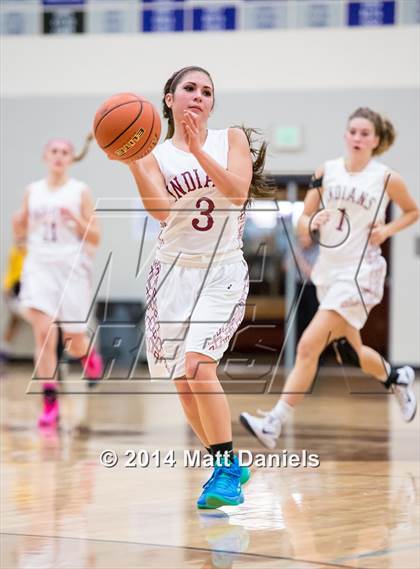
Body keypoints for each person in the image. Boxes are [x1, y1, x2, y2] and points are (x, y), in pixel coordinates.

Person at [123, 66, 267, 508]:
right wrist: (132, 162)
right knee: (183, 384)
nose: (199, 96)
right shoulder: (155, 152)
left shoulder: (231, 140)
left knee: (199, 366)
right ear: (169, 99)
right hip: (171, 272)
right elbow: (162, 212)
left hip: (221, 270)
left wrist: (203, 152)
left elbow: (238, 192)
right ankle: (228, 463)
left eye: (207, 91)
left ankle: (224, 469)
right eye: (190, 88)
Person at [240, 107, 419, 449]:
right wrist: (313, 221)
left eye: (365, 133)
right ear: (345, 134)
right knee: (351, 354)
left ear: (376, 141)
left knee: (308, 345)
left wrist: (389, 229)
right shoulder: (327, 171)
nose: (357, 138)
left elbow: (413, 211)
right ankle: (397, 377)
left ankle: (273, 422)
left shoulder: (386, 177)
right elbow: (301, 221)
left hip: (361, 273)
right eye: (353, 131)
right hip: (329, 271)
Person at [13, 134, 103, 428]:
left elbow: (95, 236)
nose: (59, 155)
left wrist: (75, 219)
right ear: (45, 156)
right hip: (39, 266)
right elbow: (21, 228)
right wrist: (19, 231)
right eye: (54, 150)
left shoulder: (80, 192)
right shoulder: (33, 190)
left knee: (72, 340)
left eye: (65, 152)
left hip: (71, 267)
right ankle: (49, 403)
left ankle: (87, 356)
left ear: (71, 158)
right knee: (44, 334)